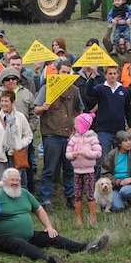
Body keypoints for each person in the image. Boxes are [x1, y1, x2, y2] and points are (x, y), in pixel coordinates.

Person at [0, 168, 109, 263]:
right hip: (3, 239)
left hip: (29, 236)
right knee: (20, 243)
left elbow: (39, 209)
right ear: (4, 182)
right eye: (12, 180)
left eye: (17, 180)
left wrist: (49, 226)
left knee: (52, 237)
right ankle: (48, 259)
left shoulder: (24, 193)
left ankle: (85, 247)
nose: (15, 183)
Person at [34, 59, 83, 212]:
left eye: (68, 73)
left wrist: (76, 126)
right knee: (49, 169)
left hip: (69, 135)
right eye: (63, 72)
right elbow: (36, 110)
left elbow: (79, 109)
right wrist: (44, 107)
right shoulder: (47, 87)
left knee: (69, 168)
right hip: (51, 134)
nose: (66, 75)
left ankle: (70, 196)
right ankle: (46, 198)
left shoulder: (74, 90)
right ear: (57, 72)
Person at [86, 66, 131, 178]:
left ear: (118, 75)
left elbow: (128, 110)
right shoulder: (101, 88)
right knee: (103, 159)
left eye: (114, 73)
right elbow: (88, 92)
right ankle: (98, 184)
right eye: (110, 73)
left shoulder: (123, 90)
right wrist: (93, 75)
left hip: (119, 130)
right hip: (104, 130)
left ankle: (117, 182)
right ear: (106, 75)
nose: (112, 75)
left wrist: (130, 126)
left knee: (120, 158)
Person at [0, 90, 33, 183]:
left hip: (16, 154)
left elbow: (28, 135)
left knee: (15, 181)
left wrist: (19, 145)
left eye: (6, 101)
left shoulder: (20, 117)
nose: (3, 104)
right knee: (2, 181)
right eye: (2, 101)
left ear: (13, 102)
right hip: (1, 156)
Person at [65, 113, 102, 224]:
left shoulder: (92, 137)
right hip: (77, 171)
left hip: (89, 171)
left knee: (90, 193)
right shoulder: (74, 138)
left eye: (77, 124)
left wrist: (86, 153)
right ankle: (79, 218)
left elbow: (98, 153)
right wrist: (73, 155)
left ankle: (92, 217)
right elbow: (67, 154)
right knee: (77, 193)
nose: (75, 126)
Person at [101, 130, 131, 212]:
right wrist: (118, 182)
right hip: (115, 186)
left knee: (125, 191)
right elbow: (105, 173)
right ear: (119, 143)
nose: (129, 143)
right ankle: (120, 200)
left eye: (129, 140)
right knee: (118, 208)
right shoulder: (111, 155)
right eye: (125, 141)